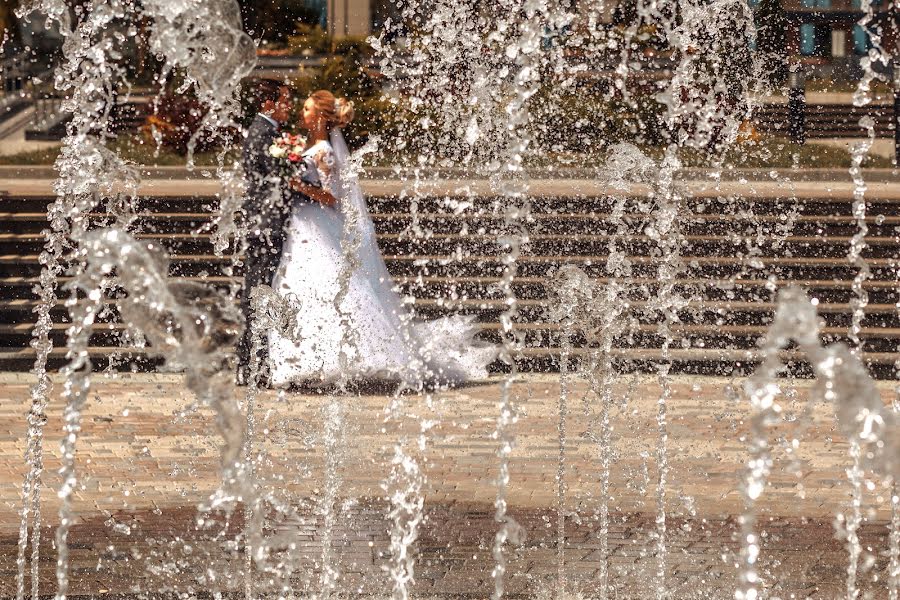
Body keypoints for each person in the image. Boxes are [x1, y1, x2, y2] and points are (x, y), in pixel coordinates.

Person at [267, 90, 497, 389]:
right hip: (303, 225)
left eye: (309, 108)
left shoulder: (324, 150)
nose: (303, 112)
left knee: (322, 284)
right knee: (302, 285)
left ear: (322, 115)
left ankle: (344, 356)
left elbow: (332, 197)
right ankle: (308, 359)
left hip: (317, 224)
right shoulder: (308, 146)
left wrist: (297, 185)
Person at [236, 80, 319, 385]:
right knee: (258, 293)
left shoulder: (269, 133)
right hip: (265, 223)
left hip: (268, 220)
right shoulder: (263, 133)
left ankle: (255, 363)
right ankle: (252, 365)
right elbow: (275, 177)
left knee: (261, 292)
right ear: (268, 104)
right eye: (285, 101)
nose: (289, 106)